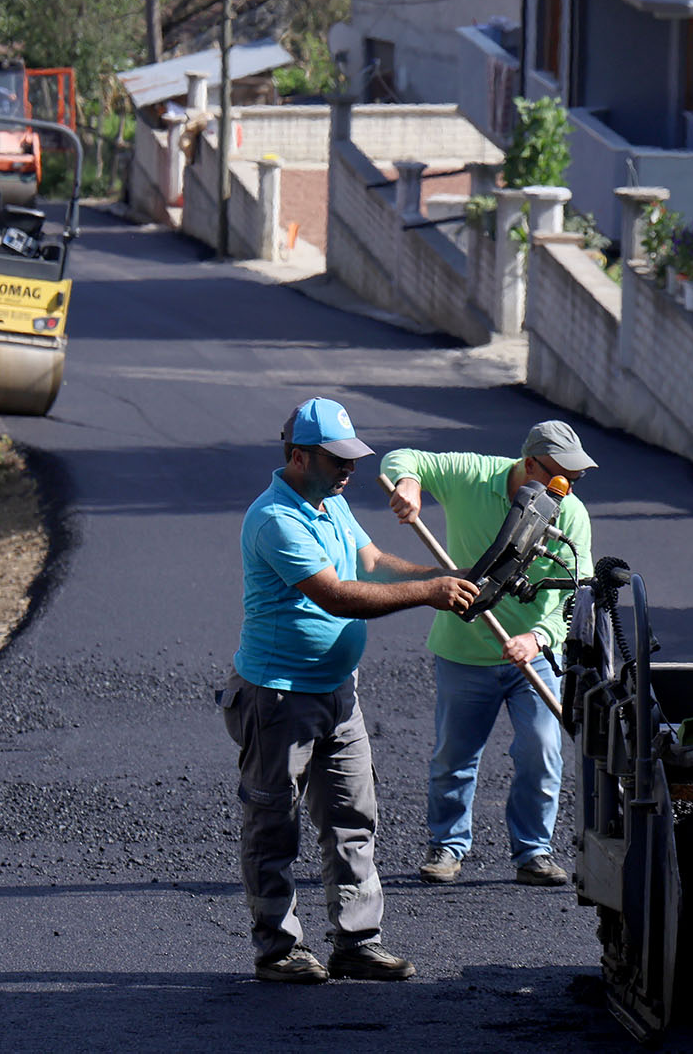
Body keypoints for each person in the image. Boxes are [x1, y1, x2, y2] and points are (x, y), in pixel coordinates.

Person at [221, 397, 478, 984]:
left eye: (353, 457)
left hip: (338, 694)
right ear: (298, 456)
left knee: (352, 820)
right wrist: (431, 593)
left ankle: (356, 943)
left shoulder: (330, 503)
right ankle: (278, 950)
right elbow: (337, 594)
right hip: (278, 697)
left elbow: (373, 561)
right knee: (273, 825)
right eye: (337, 458)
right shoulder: (275, 519)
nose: (350, 469)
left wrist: (447, 576)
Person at [379, 421, 596, 888]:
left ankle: (534, 853)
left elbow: (576, 597)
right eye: (562, 476)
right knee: (454, 755)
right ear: (530, 464)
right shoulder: (473, 475)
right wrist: (409, 486)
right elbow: (404, 459)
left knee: (541, 750)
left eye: (575, 479)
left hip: (531, 657)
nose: (569, 488)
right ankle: (447, 847)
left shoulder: (570, 514)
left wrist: (537, 638)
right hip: (463, 652)